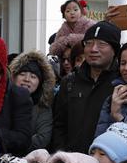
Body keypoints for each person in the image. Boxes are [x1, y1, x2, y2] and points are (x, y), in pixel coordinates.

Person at [52, 21, 121, 154]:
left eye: (101, 44)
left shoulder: (121, 83)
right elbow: (59, 125)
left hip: (106, 160)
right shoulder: (70, 82)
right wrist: (61, 154)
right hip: (71, 160)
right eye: (88, 43)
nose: (93, 49)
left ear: (114, 50)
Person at [9, 50, 55, 151]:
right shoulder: (4, 102)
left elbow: (42, 139)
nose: (27, 79)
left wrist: (12, 143)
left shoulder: (42, 109)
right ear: (13, 77)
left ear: (40, 83)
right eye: (22, 74)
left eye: (33, 76)